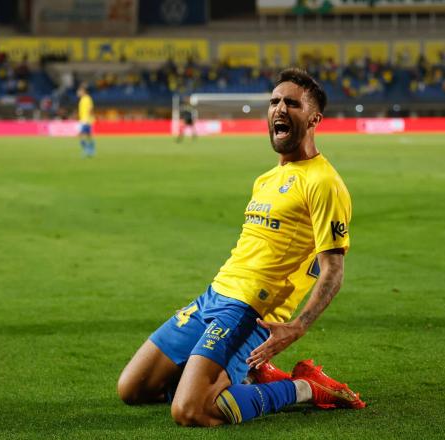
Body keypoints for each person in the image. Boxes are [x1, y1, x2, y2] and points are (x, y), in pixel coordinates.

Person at [117, 68, 365, 426]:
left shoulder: (324, 182)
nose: (279, 108)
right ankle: (241, 376)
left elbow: (333, 270)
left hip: (250, 311)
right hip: (212, 298)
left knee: (190, 411)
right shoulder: (266, 179)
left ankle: (305, 387)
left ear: (314, 118)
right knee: (132, 389)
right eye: (275, 101)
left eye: (291, 103)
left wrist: (297, 326)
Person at [77, 84, 95, 157]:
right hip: (83, 119)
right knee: (88, 136)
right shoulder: (82, 99)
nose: (78, 93)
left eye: (79, 91)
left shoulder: (87, 98)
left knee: (81, 135)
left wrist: (88, 119)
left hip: (86, 120)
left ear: (83, 91)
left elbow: (90, 109)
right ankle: (91, 150)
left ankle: (86, 150)